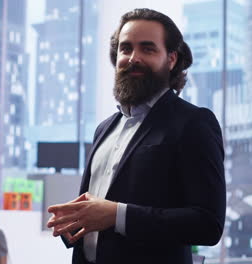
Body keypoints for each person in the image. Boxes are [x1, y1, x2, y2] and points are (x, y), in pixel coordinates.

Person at [47, 8, 225, 264]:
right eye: (125, 48)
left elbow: (208, 223)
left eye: (148, 49)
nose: (133, 58)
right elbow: (96, 210)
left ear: (171, 59)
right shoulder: (104, 128)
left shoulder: (194, 123)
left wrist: (116, 215)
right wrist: (74, 219)